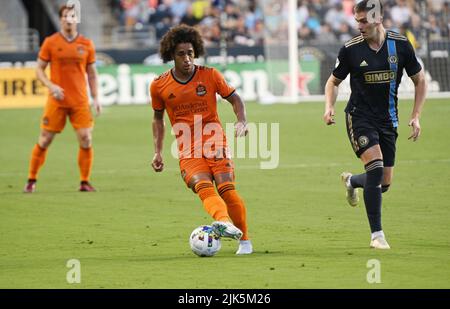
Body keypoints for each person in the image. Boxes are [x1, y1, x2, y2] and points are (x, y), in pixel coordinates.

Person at [323, 0, 426, 249]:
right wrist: (329, 107)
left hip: (388, 120)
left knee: (384, 183)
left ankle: (352, 182)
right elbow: (332, 82)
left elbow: (419, 80)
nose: (359, 26)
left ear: (378, 18)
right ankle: (376, 235)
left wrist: (416, 115)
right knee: (376, 168)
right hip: (359, 117)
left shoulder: (400, 45)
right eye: (356, 21)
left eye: (363, 21)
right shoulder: (350, 50)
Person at [150, 25, 252, 255]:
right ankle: (224, 222)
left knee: (226, 189)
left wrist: (241, 120)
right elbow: (157, 119)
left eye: (190, 53)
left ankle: (245, 241)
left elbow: (235, 99)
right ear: (171, 55)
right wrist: (158, 152)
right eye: (181, 54)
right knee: (203, 187)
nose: (187, 59)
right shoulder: (159, 85)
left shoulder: (210, 74)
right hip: (186, 147)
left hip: (214, 140)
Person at [23, 4, 101, 193]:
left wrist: (96, 97)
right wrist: (51, 86)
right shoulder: (50, 42)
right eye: (65, 16)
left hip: (80, 101)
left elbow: (92, 73)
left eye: (72, 15)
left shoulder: (86, 44)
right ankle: (31, 179)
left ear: (77, 19)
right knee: (45, 140)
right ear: (61, 19)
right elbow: (39, 69)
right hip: (56, 100)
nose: (69, 19)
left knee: (86, 138)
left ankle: (84, 181)